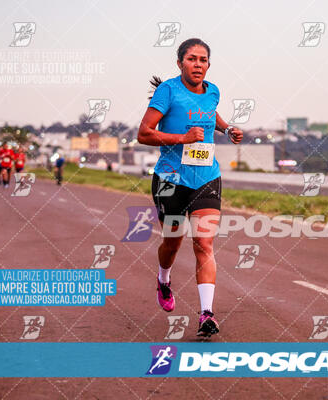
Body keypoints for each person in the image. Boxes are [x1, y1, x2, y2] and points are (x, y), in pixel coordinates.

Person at [138, 38, 243, 337]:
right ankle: (163, 278)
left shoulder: (213, 92)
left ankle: (206, 315)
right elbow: (144, 134)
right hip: (171, 181)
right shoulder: (168, 90)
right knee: (173, 242)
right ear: (180, 62)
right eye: (192, 59)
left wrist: (227, 129)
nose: (198, 64)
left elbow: (210, 114)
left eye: (203, 60)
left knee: (204, 244)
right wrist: (182, 139)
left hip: (207, 178)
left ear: (209, 64)